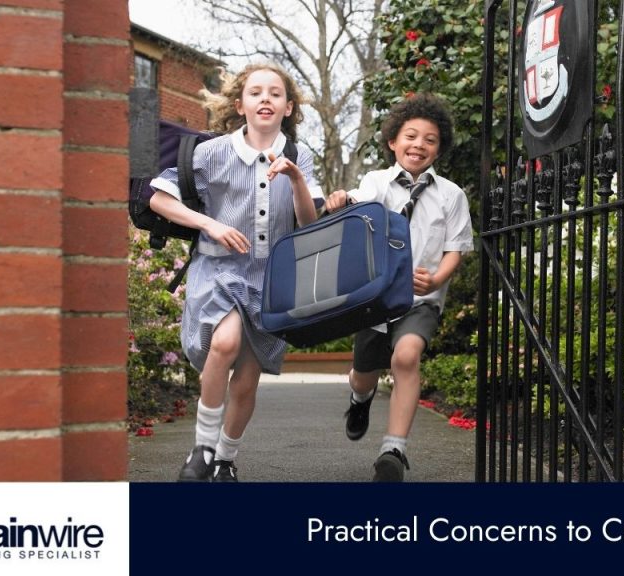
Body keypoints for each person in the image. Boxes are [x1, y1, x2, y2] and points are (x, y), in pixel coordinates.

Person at [148, 63, 319, 482]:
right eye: (255, 92)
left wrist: (296, 178)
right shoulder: (212, 152)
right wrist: (210, 223)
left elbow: (309, 222)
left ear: (288, 107)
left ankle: (225, 458)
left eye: (275, 93)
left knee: (247, 377)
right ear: (240, 104)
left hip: (272, 279)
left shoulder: (300, 155)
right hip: (219, 271)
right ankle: (202, 449)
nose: (265, 98)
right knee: (223, 343)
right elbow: (158, 199)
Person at [325, 93, 474, 481]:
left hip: (420, 299)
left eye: (430, 139)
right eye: (411, 136)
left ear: (438, 149)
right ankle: (360, 399)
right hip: (375, 295)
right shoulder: (377, 182)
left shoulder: (451, 195)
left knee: (407, 356)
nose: (419, 145)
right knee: (363, 372)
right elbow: (360, 203)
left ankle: (393, 450)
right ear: (393, 141)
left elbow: (455, 248)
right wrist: (342, 199)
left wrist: (438, 278)